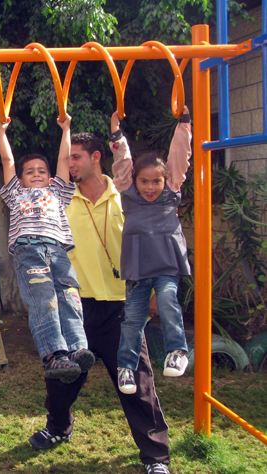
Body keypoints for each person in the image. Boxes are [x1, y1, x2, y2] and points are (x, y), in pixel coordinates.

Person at [34, 125, 173, 474]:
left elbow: (150, 248)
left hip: (120, 309)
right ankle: (57, 428)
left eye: (76, 157)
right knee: (61, 380)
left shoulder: (127, 197)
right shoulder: (60, 199)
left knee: (136, 383)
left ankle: (156, 457)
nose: (70, 164)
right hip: (73, 308)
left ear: (97, 158)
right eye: (68, 158)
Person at [0, 115, 94, 382]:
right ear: (21, 179)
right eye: (30, 171)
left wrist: (66, 129)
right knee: (45, 301)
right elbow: (8, 161)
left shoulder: (58, 193)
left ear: (51, 179)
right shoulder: (15, 194)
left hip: (58, 251)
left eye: (42, 171)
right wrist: (2, 131)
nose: (36, 174)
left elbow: (63, 160)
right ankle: (53, 355)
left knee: (70, 298)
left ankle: (77, 349)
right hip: (30, 251)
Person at [111, 108, 192, 395]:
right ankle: (126, 368)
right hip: (137, 268)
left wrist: (183, 124)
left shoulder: (171, 190)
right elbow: (122, 164)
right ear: (135, 181)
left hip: (166, 264)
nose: (149, 187)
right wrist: (117, 134)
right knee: (132, 319)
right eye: (144, 181)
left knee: (168, 300)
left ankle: (177, 351)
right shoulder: (128, 193)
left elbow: (179, 158)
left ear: (165, 180)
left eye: (155, 181)